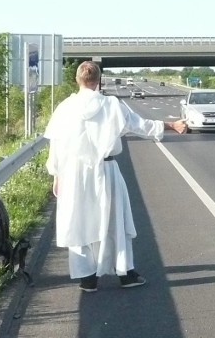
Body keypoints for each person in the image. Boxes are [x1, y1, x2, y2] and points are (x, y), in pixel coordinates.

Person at [44, 61, 186, 292]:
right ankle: (125, 273)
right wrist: (171, 125)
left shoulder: (65, 107)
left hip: (73, 173)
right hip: (105, 171)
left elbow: (56, 146)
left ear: (77, 80)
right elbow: (140, 125)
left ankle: (87, 278)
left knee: (78, 222)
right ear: (98, 80)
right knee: (114, 222)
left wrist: (57, 175)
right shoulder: (111, 105)